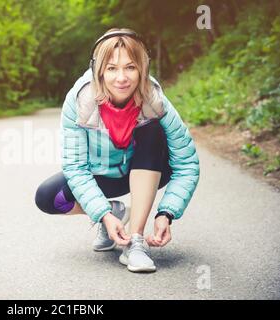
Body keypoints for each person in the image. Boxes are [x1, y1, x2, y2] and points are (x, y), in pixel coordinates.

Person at [34, 28, 200, 273]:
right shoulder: (80, 101)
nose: (121, 78)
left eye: (130, 67)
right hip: (101, 174)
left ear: (142, 68)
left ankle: (136, 241)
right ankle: (115, 211)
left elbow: (187, 163)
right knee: (49, 198)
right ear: (98, 70)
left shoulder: (155, 101)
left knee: (152, 131)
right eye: (112, 68)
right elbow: (75, 167)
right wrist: (103, 214)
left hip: (148, 170)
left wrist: (167, 213)